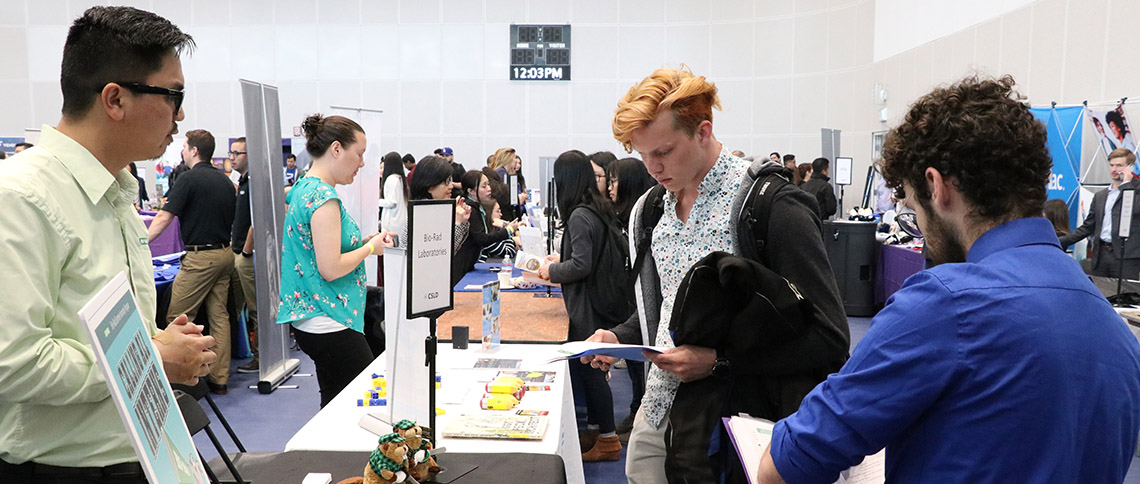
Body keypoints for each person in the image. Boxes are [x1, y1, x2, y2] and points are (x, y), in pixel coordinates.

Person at [756, 75, 1140, 484]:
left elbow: (785, 466)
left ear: (936, 187)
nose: (918, 226)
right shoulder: (1113, 327)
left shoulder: (946, 304)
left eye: (911, 205)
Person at [585, 67, 848, 483]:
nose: (652, 167)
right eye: (643, 155)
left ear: (703, 132)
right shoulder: (650, 212)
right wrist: (621, 337)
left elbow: (830, 336)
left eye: (665, 152)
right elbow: (670, 308)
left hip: (737, 425)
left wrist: (720, 362)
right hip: (657, 412)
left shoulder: (771, 207)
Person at [0, 7, 216, 482]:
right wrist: (153, 355)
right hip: (65, 469)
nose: (180, 115)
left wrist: (158, 343)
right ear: (115, 100)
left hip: (143, 451)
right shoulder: (20, 197)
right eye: (172, 95)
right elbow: (15, 363)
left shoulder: (115, 188)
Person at [278, 114, 392, 408]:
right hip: (329, 319)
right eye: (360, 154)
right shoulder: (324, 198)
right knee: (363, 403)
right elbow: (331, 268)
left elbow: (320, 250)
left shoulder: (303, 188)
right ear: (337, 149)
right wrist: (370, 250)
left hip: (315, 317)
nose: (362, 163)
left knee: (334, 402)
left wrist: (364, 243)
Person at [538, 150, 628, 462]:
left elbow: (581, 264)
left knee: (592, 370)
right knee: (588, 367)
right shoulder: (596, 208)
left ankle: (607, 439)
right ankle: (595, 429)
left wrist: (553, 271)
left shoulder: (579, 215)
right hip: (602, 301)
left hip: (589, 305)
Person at [148, 128, 237, 394]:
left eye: (185, 147)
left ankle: (183, 382)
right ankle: (219, 380)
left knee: (177, 318)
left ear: (195, 150)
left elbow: (164, 218)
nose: (183, 151)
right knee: (219, 317)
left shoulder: (187, 180)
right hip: (225, 254)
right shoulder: (226, 181)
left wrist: (140, 242)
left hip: (201, 259)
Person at [1060, 148, 1140, 277]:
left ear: (1129, 168)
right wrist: (1059, 241)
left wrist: (1126, 184)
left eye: (1119, 165)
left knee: (1125, 295)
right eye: (1112, 165)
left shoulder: (1136, 190)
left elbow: (1134, 210)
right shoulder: (1101, 196)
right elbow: (1087, 227)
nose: (1114, 169)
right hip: (1101, 255)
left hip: (1126, 259)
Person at [408, 155, 474, 284]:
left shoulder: (434, 209)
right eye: (446, 182)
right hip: (422, 285)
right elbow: (442, 254)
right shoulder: (421, 214)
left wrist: (463, 221)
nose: (451, 187)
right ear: (429, 186)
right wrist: (458, 223)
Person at [229, 137, 260, 374]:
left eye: (236, 153)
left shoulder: (253, 184)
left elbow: (255, 220)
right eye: (231, 153)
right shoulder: (243, 182)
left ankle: (260, 357)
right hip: (239, 251)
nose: (232, 158)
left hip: (246, 255)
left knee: (254, 309)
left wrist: (246, 250)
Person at [461, 170, 518, 262]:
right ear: (470, 191)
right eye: (484, 186)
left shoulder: (478, 207)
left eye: (488, 184)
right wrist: (508, 230)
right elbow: (482, 239)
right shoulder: (469, 209)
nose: (489, 188)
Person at [379, 151, 409, 236]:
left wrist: (376, 202)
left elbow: (392, 202)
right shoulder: (400, 179)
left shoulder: (391, 179)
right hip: (400, 220)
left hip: (392, 222)